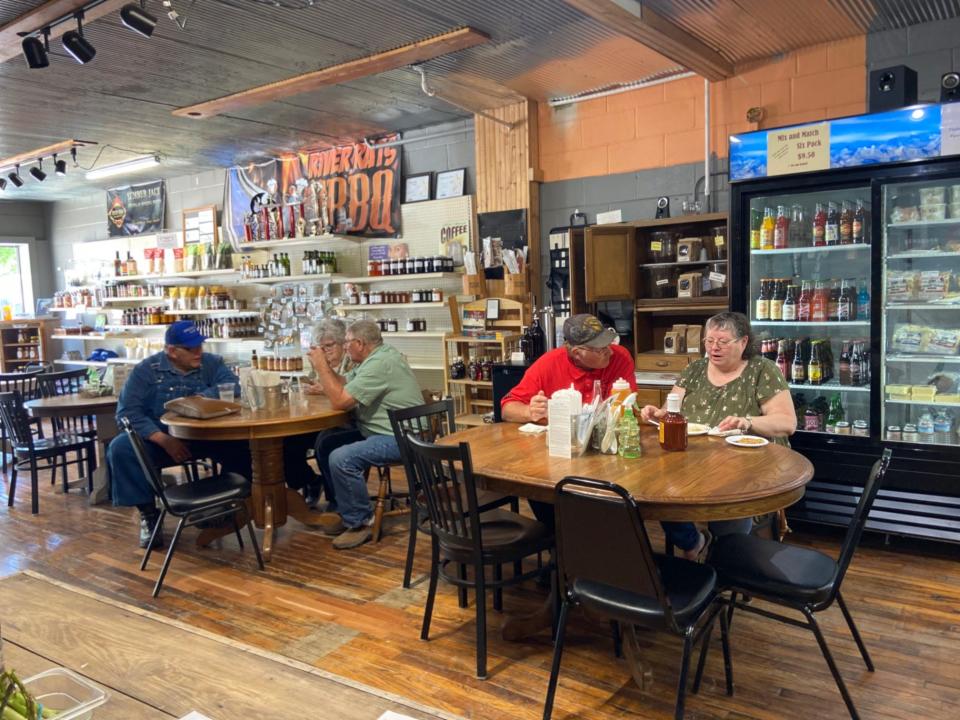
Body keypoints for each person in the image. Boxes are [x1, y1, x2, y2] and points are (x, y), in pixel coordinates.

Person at [639, 311, 796, 560]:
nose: (714, 348)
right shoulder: (695, 369)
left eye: (723, 342)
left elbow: (787, 423)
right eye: (709, 341)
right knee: (659, 490)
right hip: (694, 460)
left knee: (731, 507)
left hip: (747, 466)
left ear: (743, 342)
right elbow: (672, 408)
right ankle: (693, 543)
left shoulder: (762, 370)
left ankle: (725, 561)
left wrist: (747, 422)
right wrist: (657, 414)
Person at [107, 320, 252, 549]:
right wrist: (162, 439)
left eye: (200, 346)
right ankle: (148, 514)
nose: (198, 352)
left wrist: (193, 402)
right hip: (163, 435)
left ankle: (226, 504)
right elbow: (126, 412)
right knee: (121, 448)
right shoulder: (146, 370)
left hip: (209, 434)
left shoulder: (212, 363)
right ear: (171, 351)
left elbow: (232, 387)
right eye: (191, 348)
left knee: (247, 442)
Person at [307, 319, 423, 550]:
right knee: (327, 442)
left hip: (400, 437)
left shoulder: (380, 363)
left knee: (342, 457)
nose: (345, 347)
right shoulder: (374, 357)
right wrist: (327, 368)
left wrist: (321, 367)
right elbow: (344, 383)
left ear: (360, 343)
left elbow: (340, 401)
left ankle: (362, 522)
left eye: (348, 343)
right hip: (382, 431)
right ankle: (343, 506)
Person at [501, 313, 637, 424]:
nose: (610, 352)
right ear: (577, 353)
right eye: (601, 349)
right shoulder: (548, 364)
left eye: (608, 344)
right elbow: (507, 409)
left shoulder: (620, 357)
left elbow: (626, 409)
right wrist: (529, 412)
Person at [296, 317, 355, 509]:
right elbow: (311, 383)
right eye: (320, 347)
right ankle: (310, 481)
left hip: (349, 421)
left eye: (329, 345)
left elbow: (348, 396)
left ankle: (335, 500)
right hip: (322, 419)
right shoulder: (318, 363)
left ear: (343, 344)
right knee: (289, 441)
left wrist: (325, 389)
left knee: (326, 441)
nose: (325, 351)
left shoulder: (352, 362)